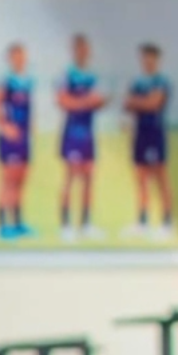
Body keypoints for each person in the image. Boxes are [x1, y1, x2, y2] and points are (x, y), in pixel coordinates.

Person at [57, 35, 108, 242]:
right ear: (73, 51)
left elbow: (99, 102)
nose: (83, 52)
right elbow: (64, 101)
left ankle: (86, 224)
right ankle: (65, 225)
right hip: (72, 133)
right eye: (79, 49)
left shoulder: (93, 76)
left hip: (88, 133)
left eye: (86, 49)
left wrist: (98, 102)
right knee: (70, 177)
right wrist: (87, 101)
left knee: (89, 178)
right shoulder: (67, 75)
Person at [123, 46, 174, 238]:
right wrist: (141, 102)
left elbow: (154, 104)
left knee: (161, 177)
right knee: (141, 178)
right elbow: (127, 104)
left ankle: (167, 221)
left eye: (151, 59)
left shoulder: (162, 81)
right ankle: (142, 221)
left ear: (157, 60)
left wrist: (139, 102)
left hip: (155, 132)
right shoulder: (136, 82)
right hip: (140, 133)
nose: (147, 62)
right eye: (144, 59)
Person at [0, 42, 35, 240]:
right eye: (16, 56)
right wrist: (4, 126)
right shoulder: (5, 81)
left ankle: (17, 223)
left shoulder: (27, 81)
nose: (20, 60)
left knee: (21, 179)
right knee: (7, 180)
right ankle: (2, 227)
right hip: (10, 140)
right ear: (10, 59)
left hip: (24, 138)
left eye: (22, 56)